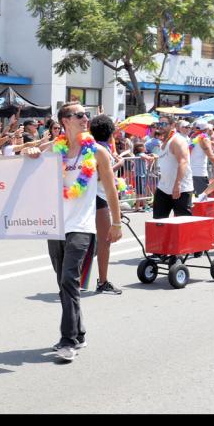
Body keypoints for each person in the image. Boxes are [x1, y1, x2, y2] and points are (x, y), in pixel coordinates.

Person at [23, 102, 122, 362]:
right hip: (55, 225)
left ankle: (67, 341)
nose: (85, 118)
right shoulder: (55, 150)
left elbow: (111, 190)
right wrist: (31, 150)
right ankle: (79, 332)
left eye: (86, 114)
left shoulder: (98, 152)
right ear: (65, 121)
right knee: (63, 283)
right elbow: (26, 156)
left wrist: (116, 223)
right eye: (79, 115)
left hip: (81, 225)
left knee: (69, 279)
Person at [88, 114, 124, 296]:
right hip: (98, 197)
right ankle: (102, 281)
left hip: (94, 197)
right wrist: (118, 165)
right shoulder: (100, 150)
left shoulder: (95, 148)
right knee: (104, 241)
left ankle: (79, 279)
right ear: (111, 133)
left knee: (91, 241)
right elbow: (98, 176)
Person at [153, 113, 194, 219]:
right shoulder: (164, 141)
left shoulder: (177, 140)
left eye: (164, 124)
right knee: (158, 223)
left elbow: (183, 162)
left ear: (173, 125)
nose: (160, 126)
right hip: (163, 187)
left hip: (181, 189)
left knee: (183, 223)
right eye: (159, 124)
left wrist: (177, 185)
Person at [189, 120, 214, 196]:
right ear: (206, 130)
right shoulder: (203, 139)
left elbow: (211, 143)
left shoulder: (193, 137)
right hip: (199, 173)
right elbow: (211, 156)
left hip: (191, 172)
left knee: (194, 198)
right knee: (203, 198)